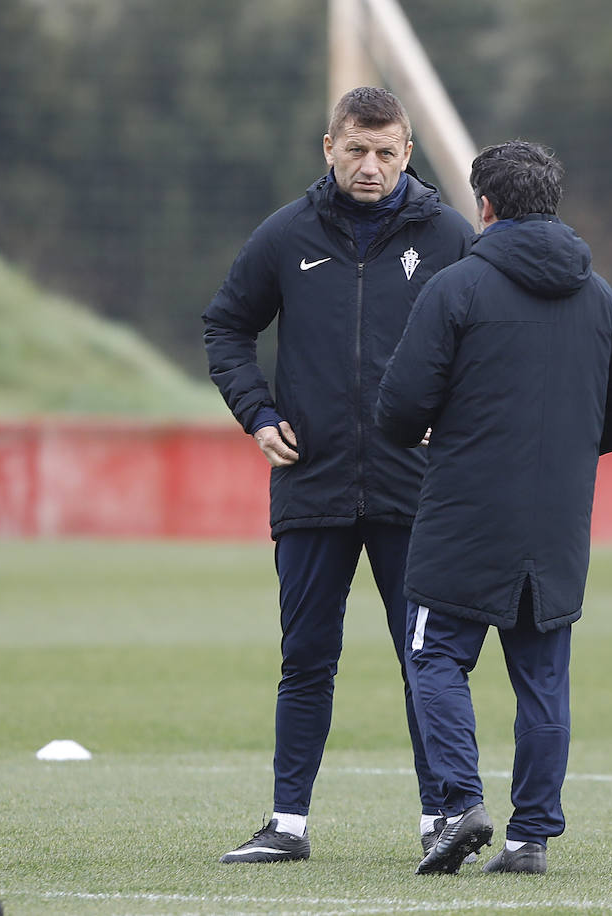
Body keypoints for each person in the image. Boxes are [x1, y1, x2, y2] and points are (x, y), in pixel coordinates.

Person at [202, 87, 476, 863]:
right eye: (356, 149)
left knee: (423, 660)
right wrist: (257, 412)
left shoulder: (451, 237)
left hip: (414, 490)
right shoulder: (285, 235)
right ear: (329, 147)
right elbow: (226, 324)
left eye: (387, 152)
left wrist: (449, 420)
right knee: (306, 658)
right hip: (312, 484)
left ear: (408, 152)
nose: (371, 166)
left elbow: (485, 343)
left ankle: (441, 821)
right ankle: (288, 824)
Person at [375, 140, 612, 875]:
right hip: (557, 519)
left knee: (434, 654)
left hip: (466, 511)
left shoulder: (458, 286)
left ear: (487, 206)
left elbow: (401, 406)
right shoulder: (597, 295)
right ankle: (529, 838)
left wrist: (432, 430)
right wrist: (572, 445)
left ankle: (462, 801)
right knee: (542, 677)